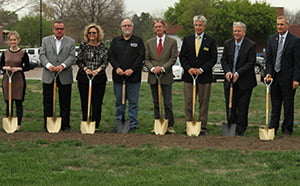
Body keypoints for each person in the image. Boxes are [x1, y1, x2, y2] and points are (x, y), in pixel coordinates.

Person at [179, 15, 217, 135]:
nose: (198, 27)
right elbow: (182, 57)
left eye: (200, 25)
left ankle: (203, 126)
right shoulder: (187, 39)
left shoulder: (210, 41)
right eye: (196, 25)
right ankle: (189, 125)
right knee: (189, 102)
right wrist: (189, 68)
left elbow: (213, 59)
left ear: (204, 26)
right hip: (189, 77)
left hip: (204, 77)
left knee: (203, 103)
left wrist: (202, 69)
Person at [265, 16, 300, 136]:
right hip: (274, 78)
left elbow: (297, 62)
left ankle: (287, 129)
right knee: (275, 105)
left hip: (288, 79)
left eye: (282, 24)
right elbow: (269, 60)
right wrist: (268, 73)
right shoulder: (272, 39)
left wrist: (296, 79)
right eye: (278, 24)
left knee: (288, 105)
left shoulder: (295, 41)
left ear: (287, 26)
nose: (279, 27)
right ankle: (272, 127)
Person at [109, 18, 145, 132]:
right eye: (125, 26)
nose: (127, 28)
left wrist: (132, 69)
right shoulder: (115, 41)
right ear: (121, 28)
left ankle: (133, 124)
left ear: (132, 27)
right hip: (119, 78)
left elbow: (141, 56)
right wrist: (117, 68)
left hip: (133, 78)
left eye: (129, 25)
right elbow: (111, 56)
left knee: (133, 103)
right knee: (119, 102)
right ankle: (120, 121)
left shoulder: (138, 41)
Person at [221, 22, 257, 136]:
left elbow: (251, 62)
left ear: (244, 32)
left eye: (239, 31)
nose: (236, 33)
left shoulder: (251, 45)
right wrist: (227, 72)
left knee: (243, 105)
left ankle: (241, 129)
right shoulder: (228, 43)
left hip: (245, 81)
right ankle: (231, 126)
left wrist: (238, 73)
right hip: (230, 80)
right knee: (230, 104)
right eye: (235, 31)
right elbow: (224, 60)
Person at [39, 20, 76, 131]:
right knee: (48, 101)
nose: (59, 31)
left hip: (64, 75)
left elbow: (72, 56)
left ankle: (65, 125)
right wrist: (49, 65)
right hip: (49, 75)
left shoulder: (71, 41)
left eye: (61, 29)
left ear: (64, 29)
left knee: (65, 102)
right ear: (53, 29)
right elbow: (42, 55)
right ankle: (48, 124)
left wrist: (63, 66)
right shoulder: (45, 40)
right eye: (57, 29)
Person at [144, 18, 177, 134]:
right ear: (154, 29)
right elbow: (146, 59)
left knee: (167, 102)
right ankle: (158, 123)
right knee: (156, 102)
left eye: (160, 26)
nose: (158, 29)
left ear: (164, 28)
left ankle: (169, 125)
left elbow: (173, 58)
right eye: (156, 27)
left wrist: (162, 68)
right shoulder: (149, 42)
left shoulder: (172, 42)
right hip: (153, 77)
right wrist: (152, 68)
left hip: (166, 76)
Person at [76, 23, 108, 130]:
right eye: (89, 33)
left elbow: (105, 61)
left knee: (97, 102)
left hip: (99, 78)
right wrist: (86, 69)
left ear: (98, 34)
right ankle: (86, 121)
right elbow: (79, 60)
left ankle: (95, 124)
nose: (92, 35)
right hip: (84, 77)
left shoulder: (103, 47)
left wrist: (98, 70)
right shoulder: (83, 46)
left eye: (94, 32)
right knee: (85, 101)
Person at [0, 31, 30, 131]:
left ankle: (18, 124)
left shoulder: (23, 53)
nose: (13, 42)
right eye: (11, 40)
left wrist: (19, 69)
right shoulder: (5, 53)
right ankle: (9, 120)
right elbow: (0, 65)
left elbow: (27, 66)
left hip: (18, 79)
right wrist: (5, 67)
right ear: (8, 41)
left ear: (18, 40)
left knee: (18, 102)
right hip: (7, 78)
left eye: (14, 40)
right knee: (8, 101)